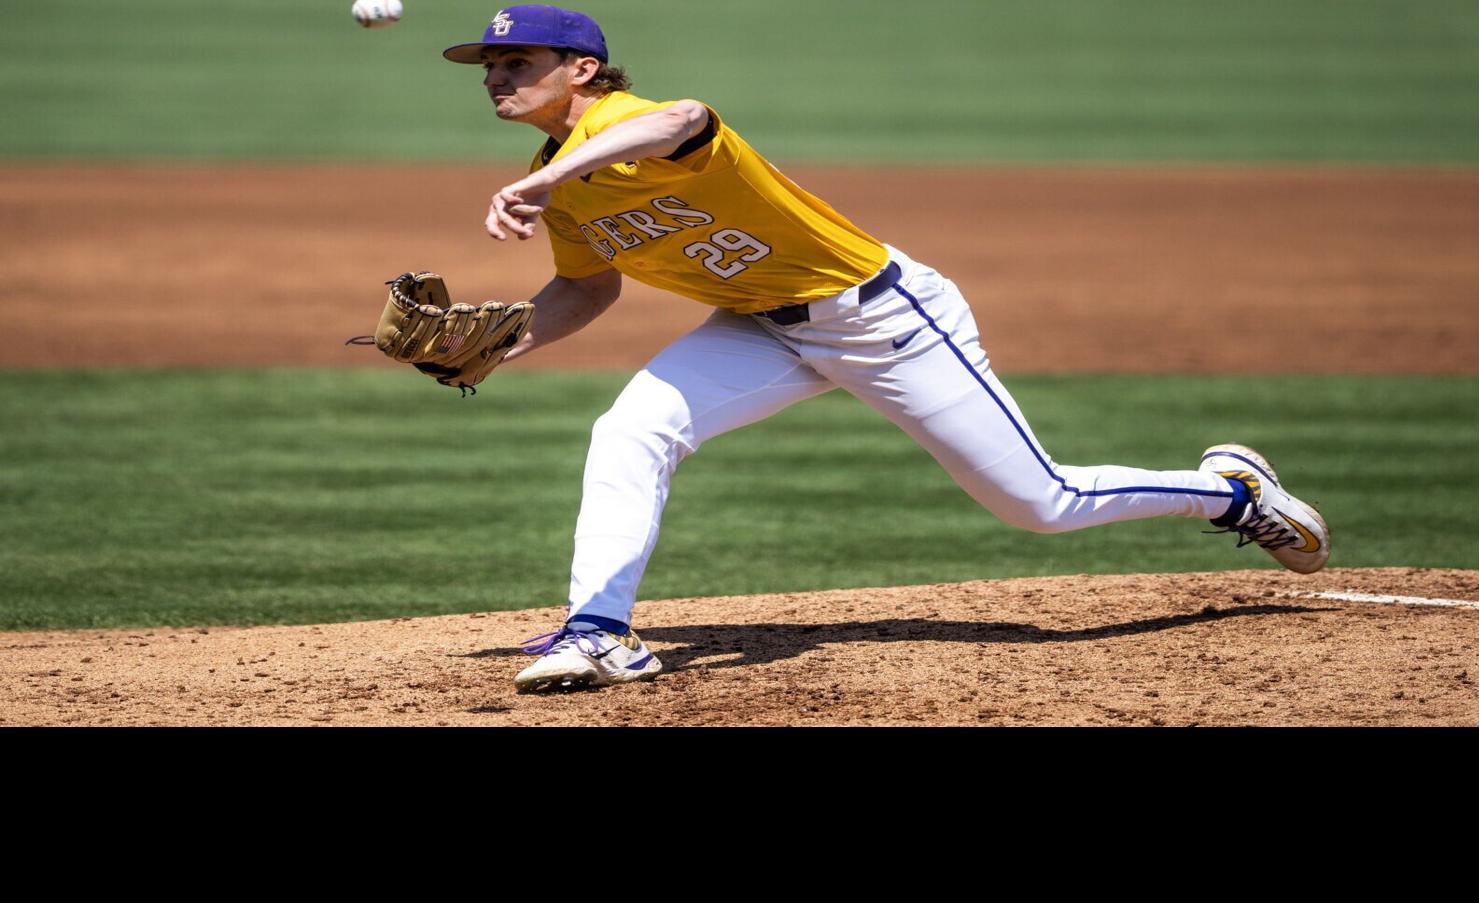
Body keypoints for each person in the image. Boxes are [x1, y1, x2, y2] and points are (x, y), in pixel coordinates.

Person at [439, 4, 1331, 692]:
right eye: (488, 65)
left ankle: (1229, 494)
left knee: (1039, 503)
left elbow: (685, 115)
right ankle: (600, 631)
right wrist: (499, 343)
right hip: (757, 328)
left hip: (883, 321)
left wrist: (552, 176)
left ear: (581, 69)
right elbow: (589, 287)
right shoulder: (555, 187)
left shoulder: (620, 130)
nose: (494, 77)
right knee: (629, 430)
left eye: (515, 61)